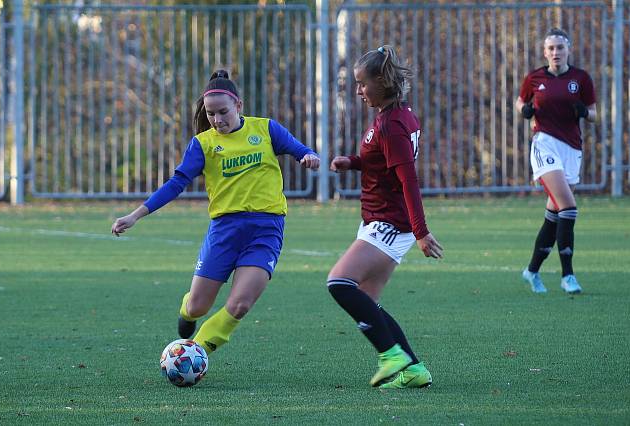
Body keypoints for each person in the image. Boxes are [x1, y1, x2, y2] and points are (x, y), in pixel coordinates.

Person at [111, 70, 320, 356]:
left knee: (240, 305)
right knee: (198, 306)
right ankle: (187, 311)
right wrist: (135, 215)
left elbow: (300, 149)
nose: (217, 120)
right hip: (225, 231)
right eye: (210, 114)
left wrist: (309, 156)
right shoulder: (204, 144)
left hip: (266, 230)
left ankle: (194, 354)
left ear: (239, 106)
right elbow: (176, 184)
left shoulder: (266, 129)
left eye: (223, 112)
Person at [328, 45, 444, 389]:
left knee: (339, 283)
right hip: (383, 219)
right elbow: (384, 161)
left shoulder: (392, 124)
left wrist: (421, 231)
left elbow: (408, 179)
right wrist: (353, 162)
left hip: (390, 222)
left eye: (363, 84)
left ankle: (391, 355)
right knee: (367, 300)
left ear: (382, 81)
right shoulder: (395, 116)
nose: (359, 91)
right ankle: (413, 368)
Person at [516, 28, 597, 295]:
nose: (555, 53)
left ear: (568, 50)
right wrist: (524, 110)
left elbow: (595, 113)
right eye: (550, 48)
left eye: (560, 48)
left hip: (571, 149)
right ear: (544, 52)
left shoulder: (581, 78)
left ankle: (532, 270)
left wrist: (585, 112)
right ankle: (568, 276)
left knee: (554, 215)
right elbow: (519, 102)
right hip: (544, 144)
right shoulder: (535, 78)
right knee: (568, 205)